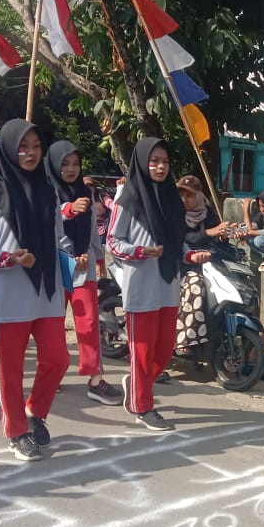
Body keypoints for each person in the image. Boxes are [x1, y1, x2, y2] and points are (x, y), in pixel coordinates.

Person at [0, 120, 71, 461]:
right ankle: (16, 431)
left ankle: (34, 411)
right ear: (9, 149)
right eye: (22, 146)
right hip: (9, 296)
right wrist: (7, 257)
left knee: (57, 359)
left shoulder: (48, 190)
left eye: (36, 146)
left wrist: (74, 255)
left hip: (48, 293)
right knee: (9, 371)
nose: (29, 152)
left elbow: (58, 237)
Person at [107, 139, 210, 431]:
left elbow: (176, 245)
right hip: (140, 285)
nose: (160, 166)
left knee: (164, 349)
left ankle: (138, 384)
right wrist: (141, 252)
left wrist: (190, 255)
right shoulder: (127, 199)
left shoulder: (172, 201)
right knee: (141, 349)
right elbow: (113, 242)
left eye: (165, 161)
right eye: (154, 161)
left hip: (167, 283)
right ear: (142, 162)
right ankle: (142, 405)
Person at [45, 140, 123, 406]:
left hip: (83, 267)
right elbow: (48, 225)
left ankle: (95, 379)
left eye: (75, 164)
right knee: (53, 325)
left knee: (88, 324)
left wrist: (96, 256)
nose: (70, 169)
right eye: (65, 164)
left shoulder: (85, 192)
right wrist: (67, 211)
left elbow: (91, 227)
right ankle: (51, 374)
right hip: (56, 266)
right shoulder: (46, 190)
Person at [175, 174, 227, 356]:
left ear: (198, 196)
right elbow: (183, 239)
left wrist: (223, 236)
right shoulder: (175, 215)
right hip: (184, 265)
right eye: (181, 194)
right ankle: (184, 340)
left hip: (208, 264)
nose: (184, 199)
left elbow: (217, 239)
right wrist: (208, 233)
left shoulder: (208, 213)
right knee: (196, 285)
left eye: (189, 195)